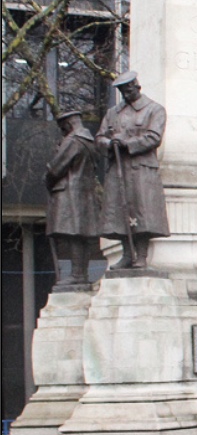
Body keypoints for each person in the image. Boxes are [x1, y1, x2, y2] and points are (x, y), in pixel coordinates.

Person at [96, 70, 169, 270]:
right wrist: (110, 143)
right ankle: (127, 254)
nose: (126, 93)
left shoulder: (154, 109)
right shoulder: (113, 113)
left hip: (141, 170)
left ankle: (141, 256)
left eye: (128, 89)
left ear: (137, 86)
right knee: (119, 212)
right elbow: (100, 137)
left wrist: (127, 143)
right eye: (122, 91)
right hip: (118, 168)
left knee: (142, 212)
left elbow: (153, 137)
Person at [44, 109, 100, 286]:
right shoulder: (90, 141)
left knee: (74, 233)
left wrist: (47, 179)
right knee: (81, 234)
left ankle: (77, 274)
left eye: (62, 128)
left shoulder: (73, 141)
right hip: (86, 192)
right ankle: (81, 273)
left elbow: (55, 169)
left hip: (70, 192)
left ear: (68, 124)